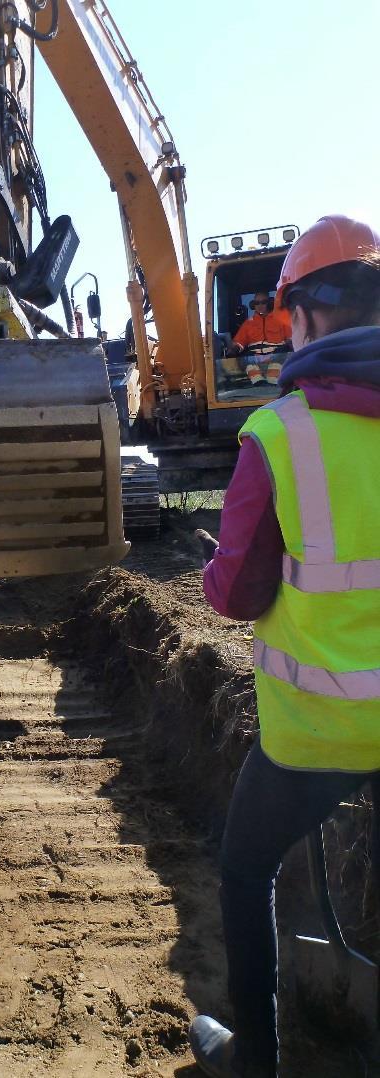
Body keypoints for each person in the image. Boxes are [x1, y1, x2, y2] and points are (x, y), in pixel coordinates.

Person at [190, 215, 380, 1078]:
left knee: (244, 867)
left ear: (296, 319)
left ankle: (256, 1060)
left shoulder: (278, 436)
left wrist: (214, 574)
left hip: (314, 735)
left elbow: (237, 594)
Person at [226, 291, 292, 385]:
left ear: (270, 303)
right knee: (245, 357)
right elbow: (239, 342)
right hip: (255, 357)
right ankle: (258, 381)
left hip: (276, 355)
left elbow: (291, 338)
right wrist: (233, 349)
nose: (259, 305)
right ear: (253, 305)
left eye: (263, 302)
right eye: (256, 303)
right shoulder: (248, 323)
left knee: (283, 352)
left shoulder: (280, 320)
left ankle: (273, 381)